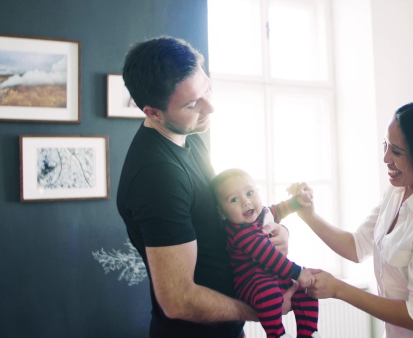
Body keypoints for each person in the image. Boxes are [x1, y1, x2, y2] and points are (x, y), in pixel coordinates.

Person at [116, 36, 295, 338]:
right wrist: (262, 309)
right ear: (153, 112)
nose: (210, 106)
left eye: (207, 89)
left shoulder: (191, 140)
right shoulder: (158, 175)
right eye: (192, 104)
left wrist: (276, 230)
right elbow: (178, 300)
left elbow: (224, 212)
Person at [293, 101, 413, 337]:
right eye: (385, 145)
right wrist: (308, 215)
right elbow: (357, 246)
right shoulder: (396, 194)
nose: (385, 158)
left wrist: (338, 289)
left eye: (396, 151)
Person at [211, 168, 321, 338]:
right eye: (234, 199)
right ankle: (277, 334)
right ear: (222, 213)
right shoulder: (241, 233)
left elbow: (278, 209)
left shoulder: (263, 213)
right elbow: (271, 258)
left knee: (309, 288)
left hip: (275, 275)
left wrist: (298, 201)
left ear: (258, 192)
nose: (246, 202)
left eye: (249, 193)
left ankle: (308, 333)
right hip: (251, 283)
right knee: (268, 293)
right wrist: (298, 273)